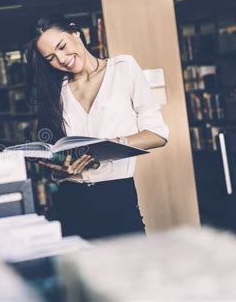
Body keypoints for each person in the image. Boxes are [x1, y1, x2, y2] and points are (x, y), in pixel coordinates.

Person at [25, 15, 169, 240]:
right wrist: (60, 168)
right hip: (71, 200)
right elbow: (56, 151)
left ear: (75, 32)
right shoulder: (56, 91)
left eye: (62, 46)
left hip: (118, 197)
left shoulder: (123, 69)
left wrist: (111, 145)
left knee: (132, 271)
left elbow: (158, 134)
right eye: (51, 57)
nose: (62, 59)